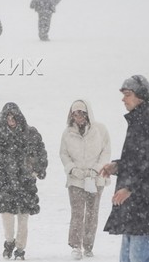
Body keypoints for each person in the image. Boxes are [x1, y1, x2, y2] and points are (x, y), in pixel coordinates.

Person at [101, 75, 149, 262]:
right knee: (127, 259)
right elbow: (137, 160)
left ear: (141, 96)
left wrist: (131, 188)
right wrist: (116, 166)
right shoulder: (138, 121)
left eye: (127, 94)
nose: (123, 99)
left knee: (138, 258)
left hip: (148, 202)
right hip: (135, 204)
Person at [0, 102, 48, 261]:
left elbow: (41, 153)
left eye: (13, 116)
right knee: (7, 217)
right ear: (4, 118)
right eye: (8, 117)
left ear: (19, 117)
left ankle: (20, 249)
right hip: (6, 182)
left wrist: (37, 170)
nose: (11, 120)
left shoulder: (31, 134)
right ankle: (9, 242)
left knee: (23, 218)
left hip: (25, 182)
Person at [59, 100, 111, 259]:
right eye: (75, 113)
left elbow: (106, 151)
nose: (78, 116)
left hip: (96, 179)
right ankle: (76, 246)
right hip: (76, 179)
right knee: (77, 212)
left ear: (87, 113)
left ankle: (88, 246)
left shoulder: (100, 130)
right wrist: (72, 169)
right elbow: (63, 154)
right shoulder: (67, 133)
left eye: (81, 113)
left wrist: (97, 169)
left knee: (92, 213)